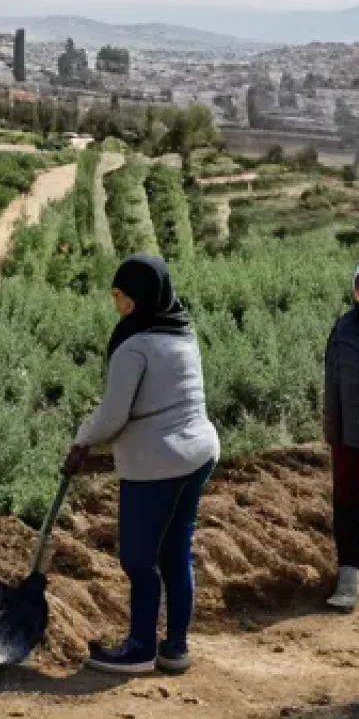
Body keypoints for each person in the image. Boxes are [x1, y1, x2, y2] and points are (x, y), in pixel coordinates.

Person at [64, 255, 220, 676]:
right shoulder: (182, 333)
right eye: (115, 296)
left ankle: (139, 649)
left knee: (138, 558)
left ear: (143, 296)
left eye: (124, 296)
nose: (119, 305)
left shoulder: (134, 347)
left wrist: (80, 440)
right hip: (199, 454)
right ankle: (175, 648)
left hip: (158, 463)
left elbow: (113, 415)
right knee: (176, 552)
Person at [322, 255, 359, 612]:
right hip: (350, 431)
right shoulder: (343, 330)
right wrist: (332, 430)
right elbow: (331, 383)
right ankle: (348, 575)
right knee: (345, 501)